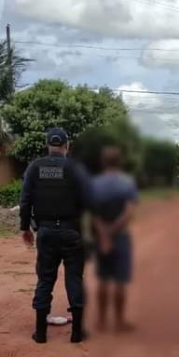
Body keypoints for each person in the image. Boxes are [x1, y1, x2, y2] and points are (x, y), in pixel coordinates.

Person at [19, 128, 90, 344]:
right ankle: (77, 333)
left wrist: (25, 229)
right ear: (67, 146)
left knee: (45, 279)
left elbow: (25, 201)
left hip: (46, 232)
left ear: (47, 144)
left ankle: (40, 333)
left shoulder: (35, 167)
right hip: (73, 232)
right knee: (74, 279)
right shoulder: (76, 168)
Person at [91, 145, 138, 332]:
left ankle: (102, 322)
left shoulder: (95, 183)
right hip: (120, 238)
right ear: (120, 162)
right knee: (120, 281)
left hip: (100, 237)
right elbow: (128, 213)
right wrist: (112, 233)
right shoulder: (127, 183)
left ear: (103, 162)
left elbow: (94, 214)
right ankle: (119, 322)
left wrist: (103, 235)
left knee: (103, 279)